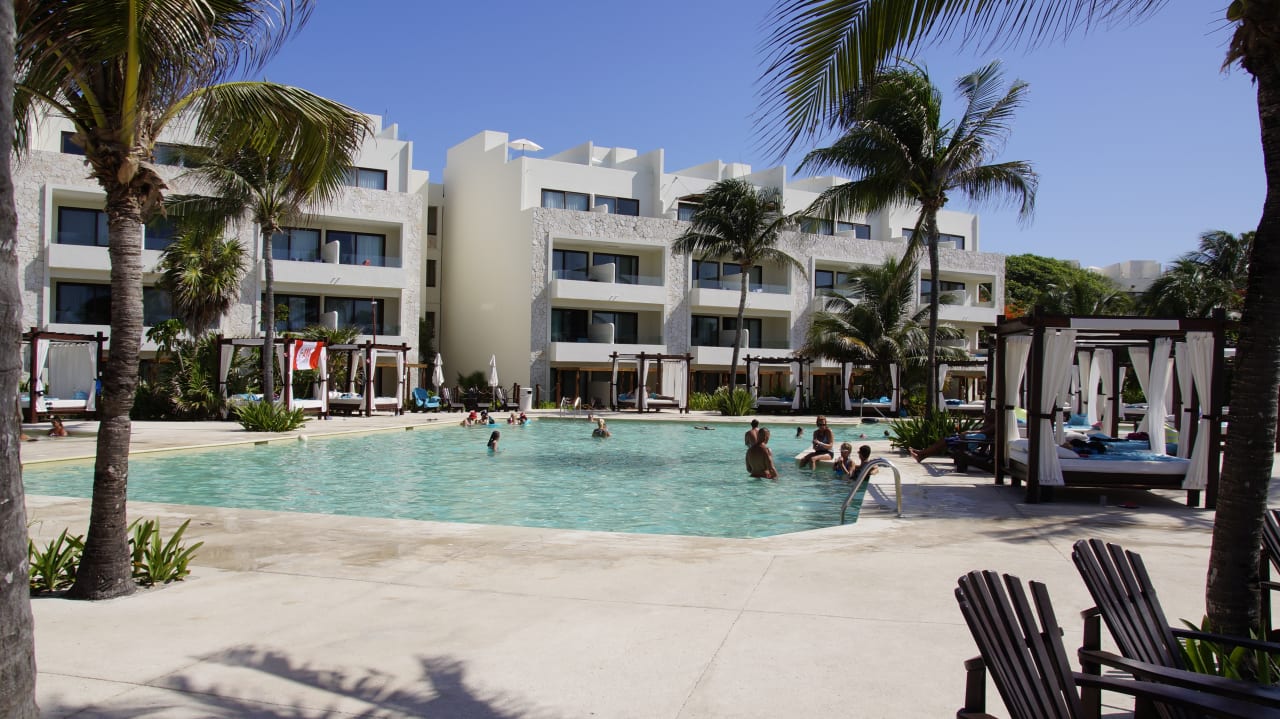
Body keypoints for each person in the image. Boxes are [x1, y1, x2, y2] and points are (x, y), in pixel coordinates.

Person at [910, 410, 997, 462]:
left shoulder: (993, 426)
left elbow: (983, 432)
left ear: (993, 416)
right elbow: (982, 431)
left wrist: (968, 432)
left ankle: (921, 453)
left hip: (965, 443)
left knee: (943, 442)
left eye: (988, 414)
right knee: (943, 442)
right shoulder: (989, 424)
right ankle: (921, 455)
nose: (986, 416)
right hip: (964, 441)